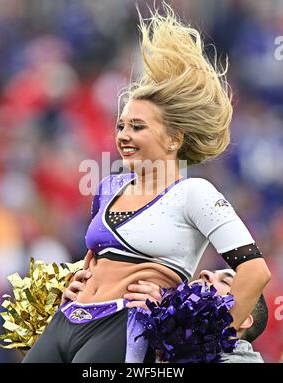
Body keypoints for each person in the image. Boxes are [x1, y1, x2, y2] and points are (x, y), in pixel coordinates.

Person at [22, 4, 271, 363]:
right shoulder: (109, 186)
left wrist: (197, 345)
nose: (123, 135)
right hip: (67, 320)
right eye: (121, 125)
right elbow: (97, 259)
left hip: (121, 328)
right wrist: (77, 279)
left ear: (173, 139)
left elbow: (254, 271)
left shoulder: (195, 193)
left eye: (138, 127)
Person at [62, 267, 268, 363]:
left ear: (243, 319)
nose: (204, 273)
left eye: (224, 281)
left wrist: (169, 318)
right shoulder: (159, 341)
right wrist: (78, 316)